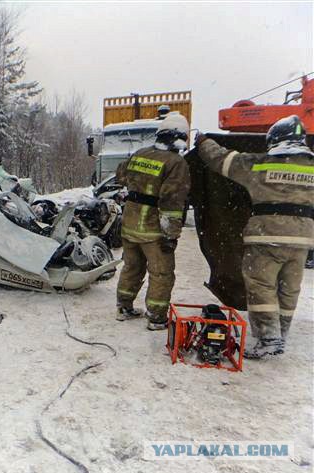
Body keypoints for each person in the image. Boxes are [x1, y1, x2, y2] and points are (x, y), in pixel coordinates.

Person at [196, 115, 314, 359]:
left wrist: (203, 142)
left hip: (266, 237)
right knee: (289, 289)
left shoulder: (259, 164)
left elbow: (222, 160)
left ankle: (268, 339)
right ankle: (280, 335)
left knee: (262, 287)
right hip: (302, 239)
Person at [115, 114, 191, 330]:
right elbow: (172, 202)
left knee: (132, 267)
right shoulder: (176, 163)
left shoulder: (140, 153)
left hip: (129, 225)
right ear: (179, 139)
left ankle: (123, 307)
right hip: (153, 230)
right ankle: (157, 318)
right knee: (161, 274)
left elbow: (121, 175)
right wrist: (170, 235)